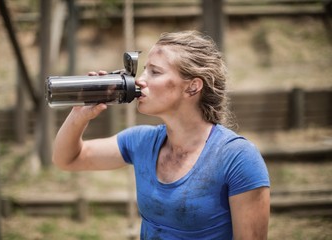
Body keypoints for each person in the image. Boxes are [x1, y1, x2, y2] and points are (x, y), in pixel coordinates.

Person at [53, 30, 270, 240]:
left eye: (154, 72)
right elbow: (67, 158)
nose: (140, 80)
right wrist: (80, 114)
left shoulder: (238, 157)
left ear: (192, 87)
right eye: (144, 70)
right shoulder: (142, 142)